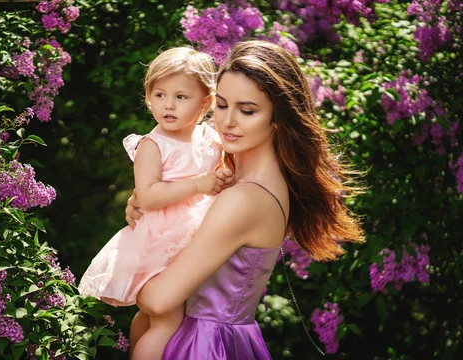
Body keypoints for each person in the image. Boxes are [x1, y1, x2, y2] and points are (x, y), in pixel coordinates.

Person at [125, 40, 366, 359]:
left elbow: (158, 300)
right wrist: (149, 206)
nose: (227, 122)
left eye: (247, 110)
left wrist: (122, 276)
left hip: (201, 345)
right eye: (222, 105)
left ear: (278, 117)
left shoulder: (245, 198)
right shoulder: (227, 175)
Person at [77, 47, 235, 360]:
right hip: (163, 238)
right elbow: (146, 195)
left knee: (151, 317)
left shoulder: (209, 138)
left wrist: (223, 177)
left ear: (205, 103)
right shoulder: (152, 145)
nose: (168, 105)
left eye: (181, 97)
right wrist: (197, 185)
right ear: (148, 97)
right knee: (167, 320)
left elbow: (225, 169)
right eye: (160, 94)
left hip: (194, 233)